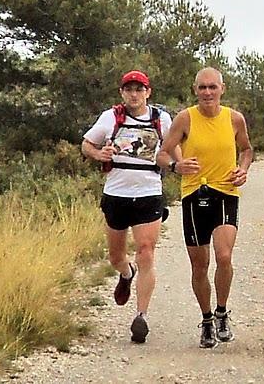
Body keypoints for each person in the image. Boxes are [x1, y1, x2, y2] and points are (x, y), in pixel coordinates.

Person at [157, 67, 253, 349]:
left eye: (213, 87)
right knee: (200, 265)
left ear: (222, 88)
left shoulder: (234, 118)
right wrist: (177, 166)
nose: (208, 93)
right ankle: (207, 319)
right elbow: (162, 153)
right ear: (195, 90)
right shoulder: (185, 118)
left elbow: (247, 149)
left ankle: (222, 312)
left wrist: (243, 169)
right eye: (202, 88)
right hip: (194, 194)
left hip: (225, 191)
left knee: (224, 256)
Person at [82, 70, 179, 344]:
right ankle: (126, 274)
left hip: (149, 191)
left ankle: (141, 316)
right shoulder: (110, 118)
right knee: (116, 256)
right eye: (129, 89)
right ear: (122, 93)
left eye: (139, 89)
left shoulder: (162, 119)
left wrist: (178, 165)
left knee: (146, 251)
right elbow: (87, 144)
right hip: (116, 192)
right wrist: (99, 153)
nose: (134, 94)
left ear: (148, 92)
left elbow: (171, 147)